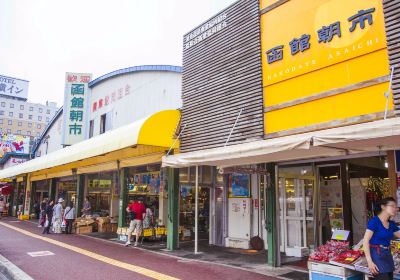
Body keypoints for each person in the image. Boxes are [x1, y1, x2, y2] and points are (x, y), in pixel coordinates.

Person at [363, 197, 400, 280]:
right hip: (376, 255)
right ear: (383, 207)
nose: (395, 209)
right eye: (392, 206)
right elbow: (365, 241)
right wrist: (369, 262)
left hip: (387, 255)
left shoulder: (391, 224)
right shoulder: (374, 221)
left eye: (396, 207)